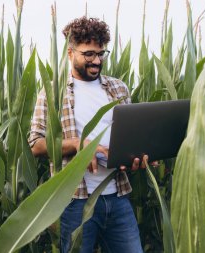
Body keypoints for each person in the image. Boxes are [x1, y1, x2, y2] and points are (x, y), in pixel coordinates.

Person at [28, 16, 146, 253]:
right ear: (70, 53)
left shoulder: (118, 88)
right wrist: (78, 146)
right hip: (74, 202)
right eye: (89, 54)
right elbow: (36, 145)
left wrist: (137, 156)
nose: (97, 61)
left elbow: (131, 135)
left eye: (101, 54)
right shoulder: (53, 92)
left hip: (117, 196)